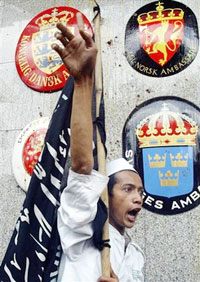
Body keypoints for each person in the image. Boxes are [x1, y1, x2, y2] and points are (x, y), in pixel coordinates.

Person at [52, 12, 145, 282]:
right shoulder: (81, 234)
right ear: (105, 195)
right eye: (127, 189)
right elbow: (82, 167)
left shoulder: (136, 254)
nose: (139, 198)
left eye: (139, 191)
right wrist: (83, 82)